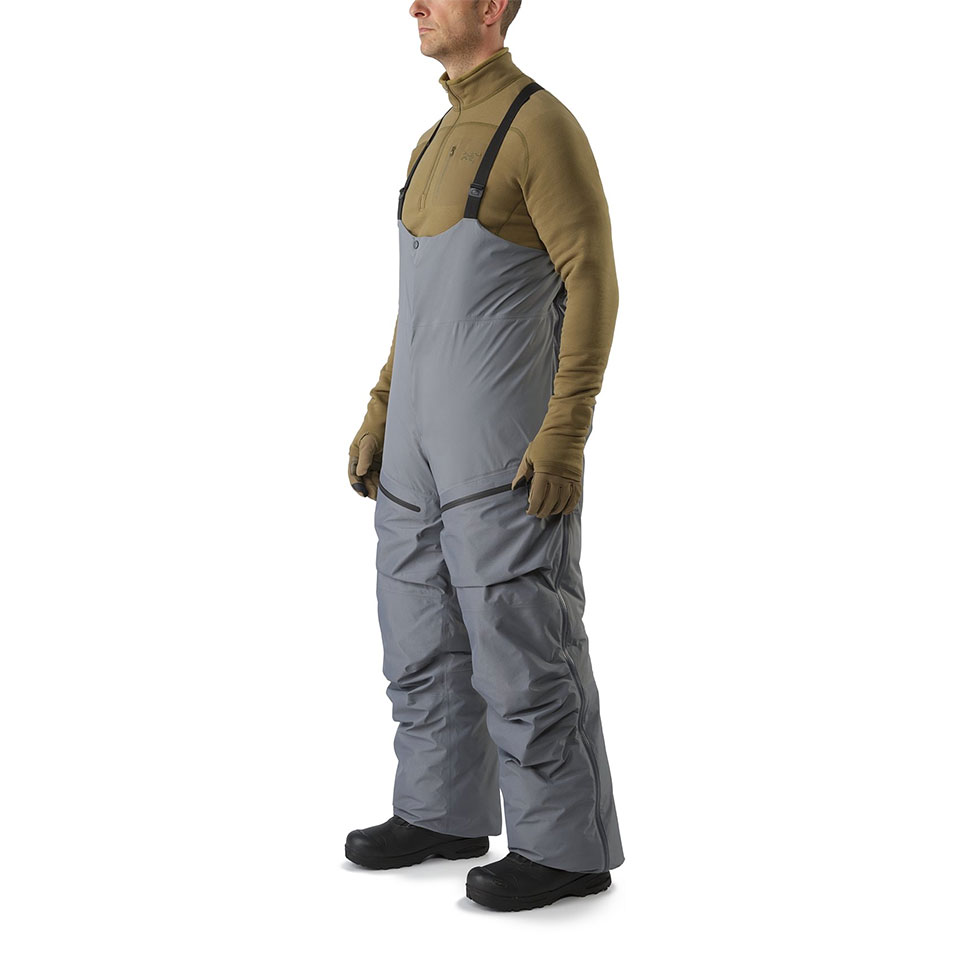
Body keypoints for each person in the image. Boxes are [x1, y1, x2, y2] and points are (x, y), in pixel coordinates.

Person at [345, 0, 625, 911]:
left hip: (500, 450)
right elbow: (418, 305)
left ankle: (564, 846)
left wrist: (565, 431)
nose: (415, 5)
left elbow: (593, 279)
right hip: (416, 452)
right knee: (417, 634)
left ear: (495, 6)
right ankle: (440, 811)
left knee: (521, 641)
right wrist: (380, 410)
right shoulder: (431, 140)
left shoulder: (541, 126)